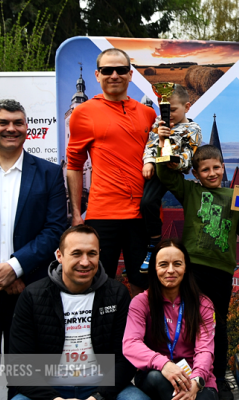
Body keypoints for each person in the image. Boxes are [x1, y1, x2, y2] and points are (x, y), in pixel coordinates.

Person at [0, 99, 66, 400]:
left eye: (18, 123)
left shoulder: (48, 173)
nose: (11, 128)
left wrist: (15, 268)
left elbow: (54, 229)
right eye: (3, 123)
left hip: (29, 293)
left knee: (27, 382)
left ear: (27, 128)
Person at [156, 145, 239, 400]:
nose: (212, 173)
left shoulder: (236, 195)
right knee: (188, 319)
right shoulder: (190, 191)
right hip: (193, 268)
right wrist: (164, 154)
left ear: (223, 167)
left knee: (218, 324)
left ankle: (219, 376)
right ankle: (186, 373)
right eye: (205, 170)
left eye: (216, 168)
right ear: (196, 173)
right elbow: (165, 175)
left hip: (222, 271)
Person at [10, 225, 144, 400]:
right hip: (49, 388)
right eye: (76, 253)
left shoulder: (117, 294)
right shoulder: (32, 296)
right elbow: (20, 364)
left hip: (102, 386)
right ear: (59, 255)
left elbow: (126, 357)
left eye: (92, 254)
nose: (85, 262)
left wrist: (97, 397)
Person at [67, 48, 157, 292]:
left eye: (121, 70)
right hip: (102, 213)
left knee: (145, 284)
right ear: (97, 75)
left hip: (141, 215)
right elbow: (74, 166)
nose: (114, 75)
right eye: (107, 70)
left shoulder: (149, 114)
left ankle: (139, 331)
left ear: (130, 75)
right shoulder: (83, 113)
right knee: (97, 284)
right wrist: (77, 214)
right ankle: (101, 332)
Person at [123, 240, 218, 400]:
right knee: (156, 378)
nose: (171, 270)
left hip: (195, 378)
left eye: (177, 264)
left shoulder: (203, 304)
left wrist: (196, 382)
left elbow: (205, 350)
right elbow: (131, 344)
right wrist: (164, 364)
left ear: (186, 268)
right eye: (163, 264)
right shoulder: (141, 302)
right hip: (157, 375)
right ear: (154, 268)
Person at [141, 84, 201, 267]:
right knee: (146, 203)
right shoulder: (158, 123)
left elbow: (190, 154)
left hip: (174, 174)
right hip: (158, 172)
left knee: (194, 207)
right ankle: (153, 244)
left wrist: (178, 163)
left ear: (187, 107)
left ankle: (195, 246)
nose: (168, 115)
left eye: (173, 110)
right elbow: (150, 146)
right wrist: (148, 162)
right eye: (165, 110)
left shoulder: (193, 128)